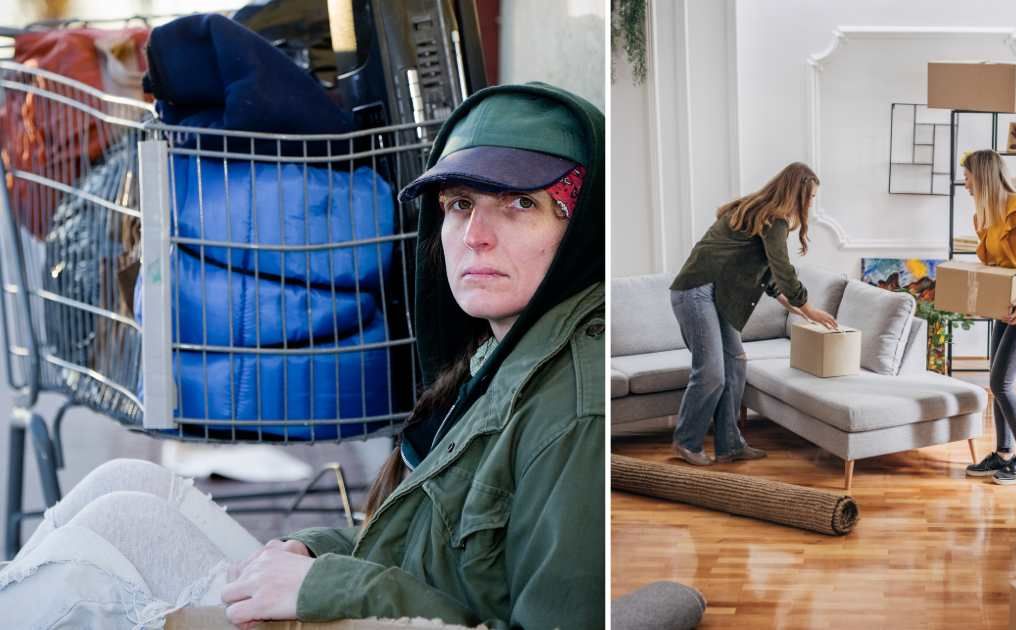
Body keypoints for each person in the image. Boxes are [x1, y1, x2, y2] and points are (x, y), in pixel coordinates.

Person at [0, 82, 605, 630]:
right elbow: (429, 554)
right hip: (373, 604)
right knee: (124, 488)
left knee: (75, 592)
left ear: (578, 227)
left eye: (520, 205)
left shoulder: (576, 414)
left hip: (373, 614)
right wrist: (315, 550)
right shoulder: (492, 356)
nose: (475, 235)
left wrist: (327, 585)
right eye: (460, 204)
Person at [668, 162, 837, 466]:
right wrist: (807, 307)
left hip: (716, 294)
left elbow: (766, 274)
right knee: (711, 373)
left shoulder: (759, 213)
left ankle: (730, 445)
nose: (812, 204)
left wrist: (797, 308)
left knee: (735, 364)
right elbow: (783, 269)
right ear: (797, 194)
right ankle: (686, 441)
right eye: (810, 197)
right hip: (696, 291)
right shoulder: (773, 219)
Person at [960, 149, 1016, 486]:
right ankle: (1003, 453)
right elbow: (997, 267)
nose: (965, 184)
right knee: (996, 380)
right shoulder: (985, 216)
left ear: (982, 176)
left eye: (968, 177)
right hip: (1007, 304)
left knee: (1002, 382)